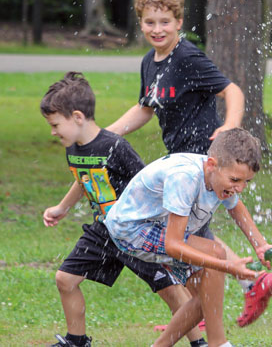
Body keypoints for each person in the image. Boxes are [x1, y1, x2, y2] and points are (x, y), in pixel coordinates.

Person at [105, 0, 272, 328]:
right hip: (179, 159)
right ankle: (197, 312)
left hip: (205, 158)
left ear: (179, 22)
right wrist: (106, 135)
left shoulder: (188, 56)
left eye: (165, 22)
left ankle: (238, 287)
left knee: (193, 243)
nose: (157, 29)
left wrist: (229, 128)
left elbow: (233, 91)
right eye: (150, 22)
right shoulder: (150, 63)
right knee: (191, 242)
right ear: (140, 21)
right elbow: (146, 108)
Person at [40, 72, 207, 347]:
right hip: (103, 230)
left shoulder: (115, 146)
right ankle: (76, 341)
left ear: (78, 117)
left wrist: (162, 226)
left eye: (56, 124)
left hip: (134, 232)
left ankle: (198, 343)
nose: (53, 131)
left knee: (170, 290)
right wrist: (62, 207)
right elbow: (84, 179)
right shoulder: (74, 148)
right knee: (65, 279)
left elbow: (148, 183)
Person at [104, 128, 272, 347]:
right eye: (236, 180)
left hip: (159, 228)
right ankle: (218, 343)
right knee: (215, 253)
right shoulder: (186, 178)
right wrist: (227, 265)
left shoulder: (220, 175)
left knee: (206, 298)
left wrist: (261, 245)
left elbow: (236, 208)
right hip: (131, 230)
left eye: (246, 182)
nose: (239, 188)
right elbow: (173, 245)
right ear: (211, 165)